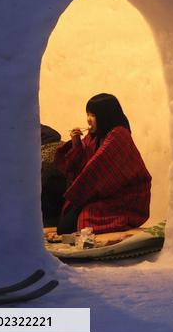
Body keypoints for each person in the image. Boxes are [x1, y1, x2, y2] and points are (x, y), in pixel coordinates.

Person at [54, 93, 152, 234]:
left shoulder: (119, 135)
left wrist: (79, 196)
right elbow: (78, 166)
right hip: (100, 194)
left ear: (105, 116)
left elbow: (96, 168)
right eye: (87, 114)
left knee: (84, 219)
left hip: (124, 197)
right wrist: (76, 144)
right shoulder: (93, 137)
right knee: (66, 225)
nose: (88, 120)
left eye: (93, 115)